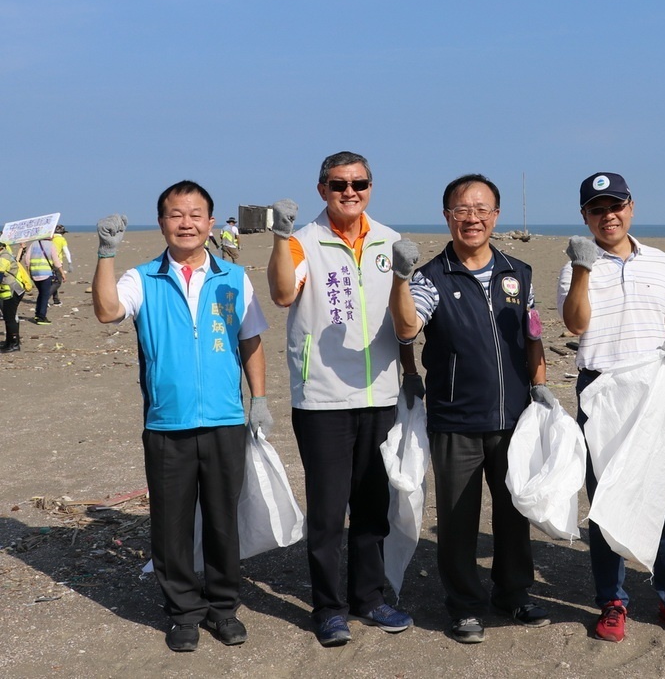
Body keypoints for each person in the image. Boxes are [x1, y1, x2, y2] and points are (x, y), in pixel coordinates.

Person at [91, 181, 272, 652]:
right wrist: (106, 254)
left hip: (225, 420)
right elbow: (108, 311)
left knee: (221, 520)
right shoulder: (143, 277)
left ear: (211, 223)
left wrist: (259, 399)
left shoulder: (233, 277)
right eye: (175, 214)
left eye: (195, 214)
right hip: (167, 424)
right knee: (169, 524)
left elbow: (250, 340)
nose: (186, 222)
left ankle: (223, 607)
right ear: (163, 222)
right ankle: (183, 613)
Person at [390, 173, 552, 644]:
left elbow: (534, 335)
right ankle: (463, 605)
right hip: (456, 420)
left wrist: (540, 385)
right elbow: (406, 329)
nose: (473, 218)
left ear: (496, 216)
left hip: (513, 417)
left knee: (513, 512)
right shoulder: (431, 277)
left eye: (482, 209)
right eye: (462, 210)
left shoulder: (517, 273)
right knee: (458, 519)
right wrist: (402, 278)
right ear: (447, 217)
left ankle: (514, 593)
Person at [266, 151, 414, 647]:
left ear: (371, 185)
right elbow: (284, 294)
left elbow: (405, 315)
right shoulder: (304, 241)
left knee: (374, 506)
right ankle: (329, 608)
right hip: (323, 397)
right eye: (338, 184)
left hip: (380, 394)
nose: (349, 192)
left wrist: (411, 374)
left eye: (358, 183)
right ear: (321, 188)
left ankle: (369, 597)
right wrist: (281, 239)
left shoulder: (390, 241)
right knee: (329, 513)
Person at [558, 171, 665, 644]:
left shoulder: (661, 262)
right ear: (585, 216)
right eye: (597, 209)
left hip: (656, 393)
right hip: (603, 391)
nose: (609, 215)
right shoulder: (574, 265)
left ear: (631, 207)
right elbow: (573, 324)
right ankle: (613, 601)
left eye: (616, 205)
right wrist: (582, 269)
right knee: (605, 502)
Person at [22, 234, 63, 325]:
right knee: (44, 295)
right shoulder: (51, 245)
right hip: (45, 273)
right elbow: (56, 261)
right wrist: (62, 273)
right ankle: (41, 317)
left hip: (34, 273)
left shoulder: (34, 244)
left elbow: (27, 259)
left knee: (41, 294)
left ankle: (37, 314)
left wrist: (29, 271)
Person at [0, 241, 28, 352]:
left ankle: (15, 343)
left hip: (13, 290)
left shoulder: (4, 258)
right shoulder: (4, 255)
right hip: (8, 291)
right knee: (8, 317)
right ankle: (9, 342)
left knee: (10, 318)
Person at [51, 225, 71, 305]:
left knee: (52, 282)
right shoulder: (62, 239)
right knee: (58, 282)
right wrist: (70, 262)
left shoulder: (50, 239)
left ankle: (56, 300)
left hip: (47, 262)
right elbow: (66, 251)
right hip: (57, 262)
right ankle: (45, 298)